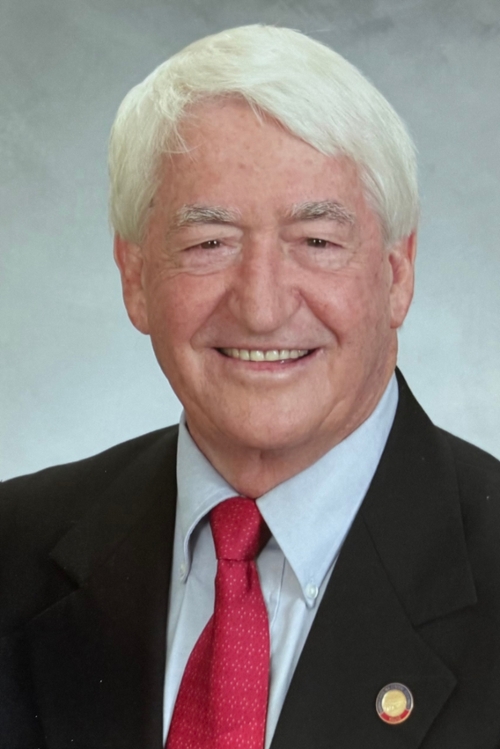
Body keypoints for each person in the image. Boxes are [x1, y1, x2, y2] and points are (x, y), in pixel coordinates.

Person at [1, 24, 499, 749]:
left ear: (397, 275)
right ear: (135, 277)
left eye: (317, 242)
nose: (262, 306)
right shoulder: (12, 550)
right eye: (210, 243)